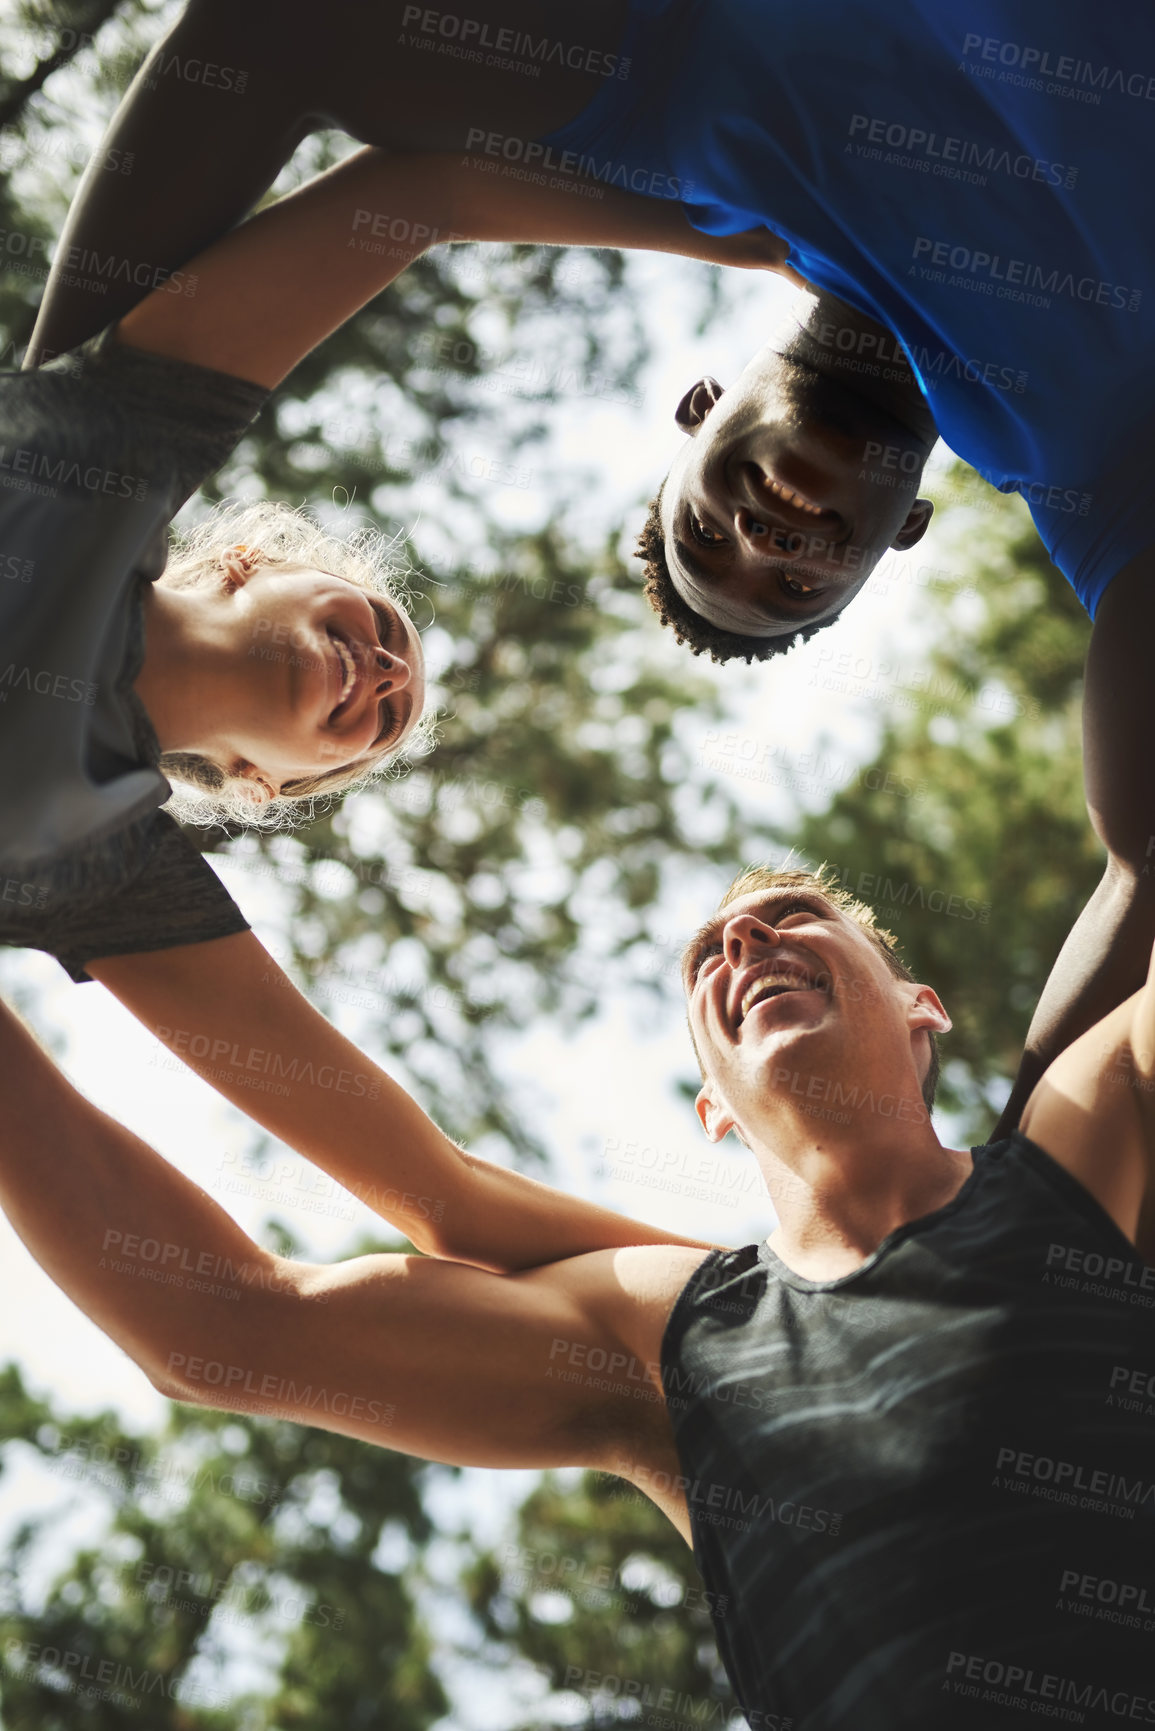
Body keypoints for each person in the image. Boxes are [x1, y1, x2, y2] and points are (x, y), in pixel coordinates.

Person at [3, 861, 1153, 1728]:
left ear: (922, 1007)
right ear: (714, 1108)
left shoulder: (1086, 1149)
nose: (742, 938)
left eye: (794, 915)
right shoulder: (677, 1335)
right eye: (707, 956)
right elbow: (218, 1327)